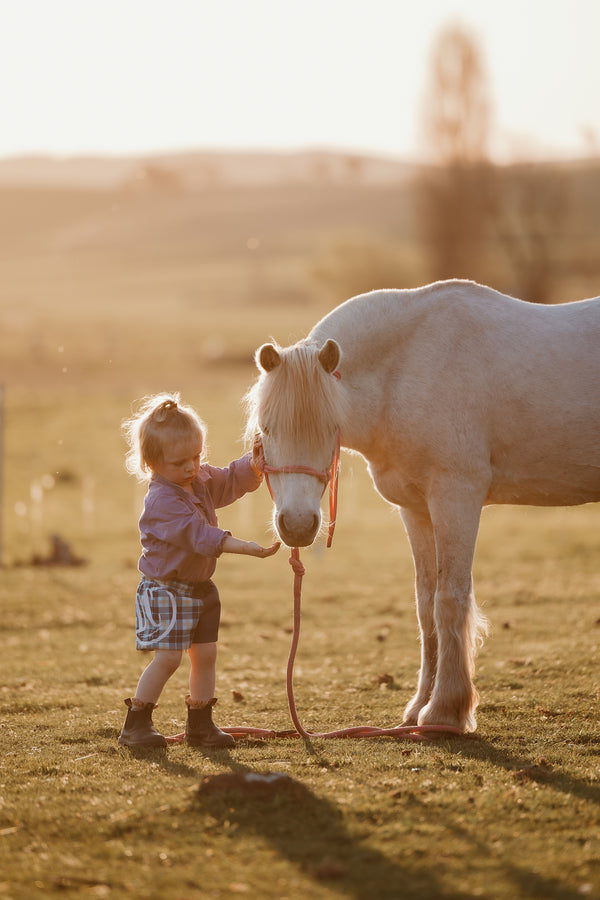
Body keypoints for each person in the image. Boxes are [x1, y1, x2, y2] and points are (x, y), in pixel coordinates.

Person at [118, 393, 280, 749]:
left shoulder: (198, 481)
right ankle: (136, 723)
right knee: (169, 659)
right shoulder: (162, 502)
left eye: (196, 457)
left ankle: (200, 725)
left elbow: (227, 480)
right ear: (151, 463)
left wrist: (253, 465)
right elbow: (199, 535)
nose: (192, 468)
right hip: (167, 591)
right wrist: (245, 547)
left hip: (201, 588)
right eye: (180, 463)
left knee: (205, 656)